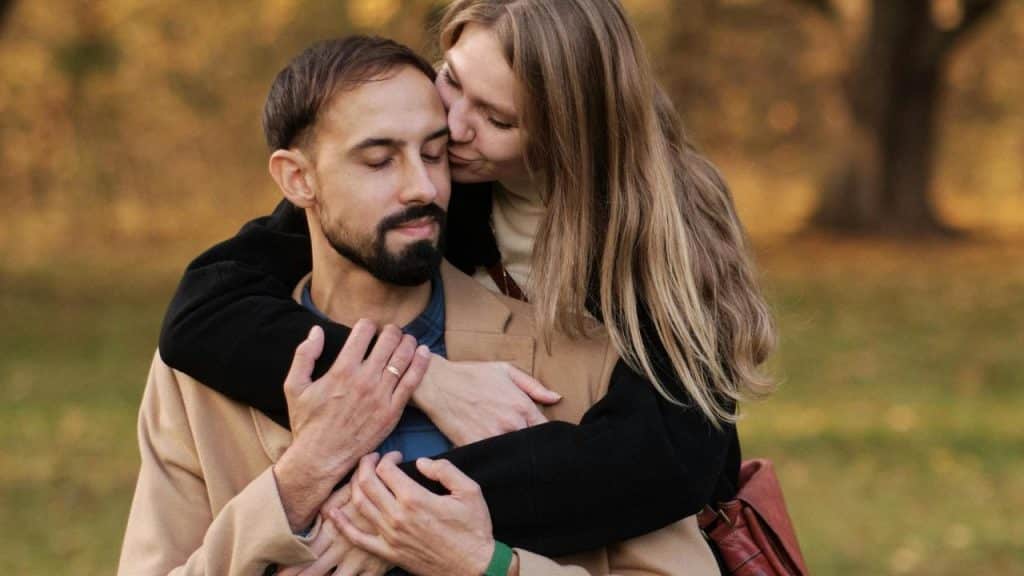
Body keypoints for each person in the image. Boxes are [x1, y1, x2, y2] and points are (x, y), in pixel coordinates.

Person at [158, 0, 776, 565]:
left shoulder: (661, 234)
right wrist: (425, 376)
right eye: (452, 79)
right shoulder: (422, 172)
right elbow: (208, 310)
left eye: (495, 117)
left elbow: (657, 463)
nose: (451, 125)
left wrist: (392, 511)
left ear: (568, 136)